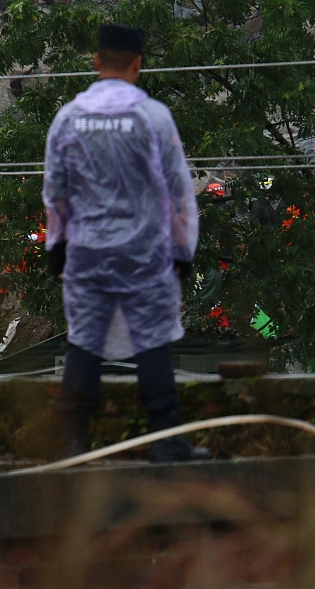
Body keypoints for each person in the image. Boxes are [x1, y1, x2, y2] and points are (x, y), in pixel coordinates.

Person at [43, 23, 207, 463]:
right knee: (153, 342)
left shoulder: (68, 119)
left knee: (84, 342)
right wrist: (182, 250)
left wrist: (56, 248)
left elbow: (55, 191)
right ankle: (166, 441)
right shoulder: (154, 118)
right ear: (138, 64)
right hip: (144, 254)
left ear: (96, 62)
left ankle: (73, 443)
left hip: (87, 251)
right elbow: (178, 192)